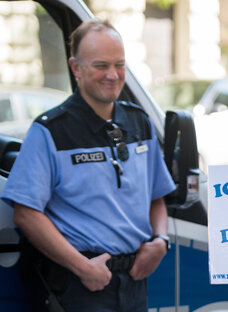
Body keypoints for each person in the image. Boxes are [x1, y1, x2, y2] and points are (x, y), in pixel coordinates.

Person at [2, 19, 175, 312]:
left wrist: (160, 240)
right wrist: (82, 267)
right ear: (76, 68)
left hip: (134, 282)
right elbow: (26, 213)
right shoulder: (50, 131)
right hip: (80, 286)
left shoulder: (139, 122)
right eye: (100, 65)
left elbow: (156, 195)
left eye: (119, 64)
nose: (112, 75)